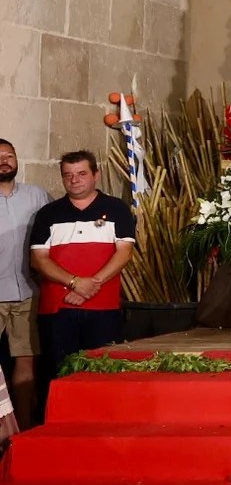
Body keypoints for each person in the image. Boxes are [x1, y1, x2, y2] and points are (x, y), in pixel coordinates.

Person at [29, 152, 136, 380]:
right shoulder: (48, 214)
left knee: (102, 374)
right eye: (67, 175)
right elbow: (39, 259)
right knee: (58, 374)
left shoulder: (117, 209)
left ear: (95, 175)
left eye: (81, 174)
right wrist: (76, 283)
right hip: (57, 308)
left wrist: (90, 286)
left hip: (104, 308)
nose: (74, 180)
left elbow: (124, 253)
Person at [0, 139, 48, 428]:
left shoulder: (38, 195)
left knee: (26, 360)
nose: (4, 161)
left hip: (28, 292)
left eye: (9, 155)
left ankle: (25, 427)